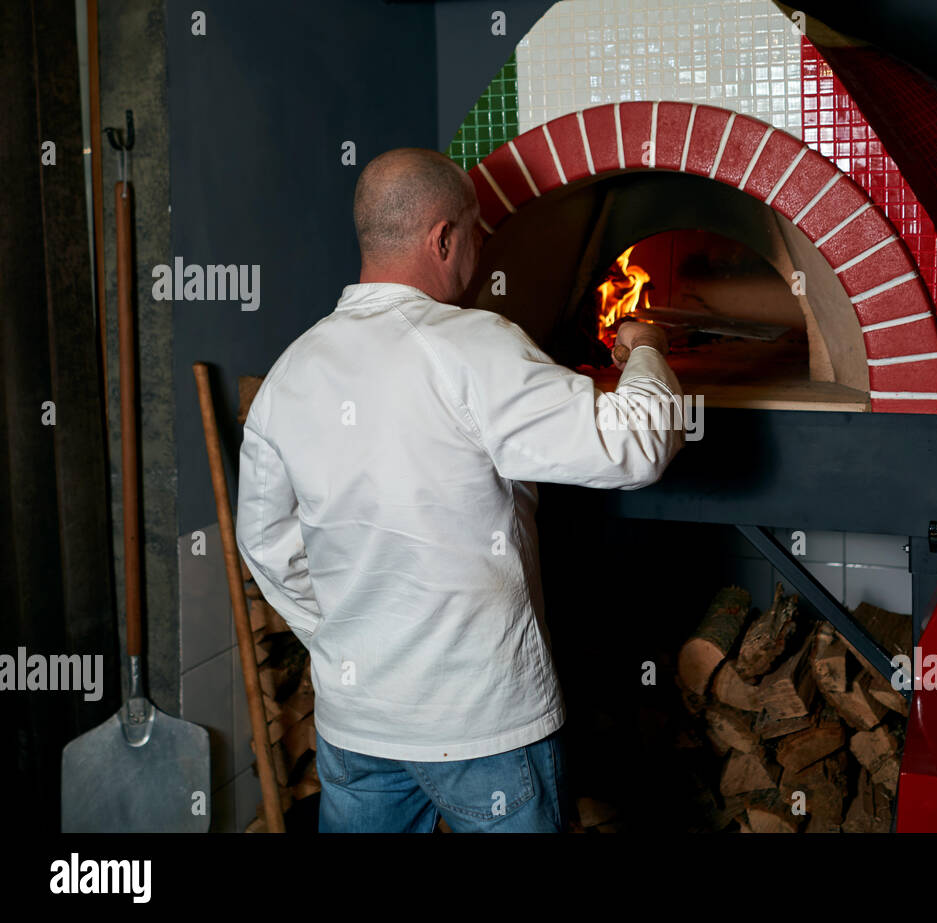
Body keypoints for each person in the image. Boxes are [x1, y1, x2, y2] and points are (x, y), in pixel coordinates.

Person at [235, 147, 682, 833]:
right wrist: (647, 345)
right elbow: (640, 443)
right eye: (475, 231)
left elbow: (264, 545)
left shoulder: (290, 373)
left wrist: (345, 637)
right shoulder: (474, 346)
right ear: (443, 237)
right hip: (486, 726)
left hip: (357, 725)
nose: (481, 247)